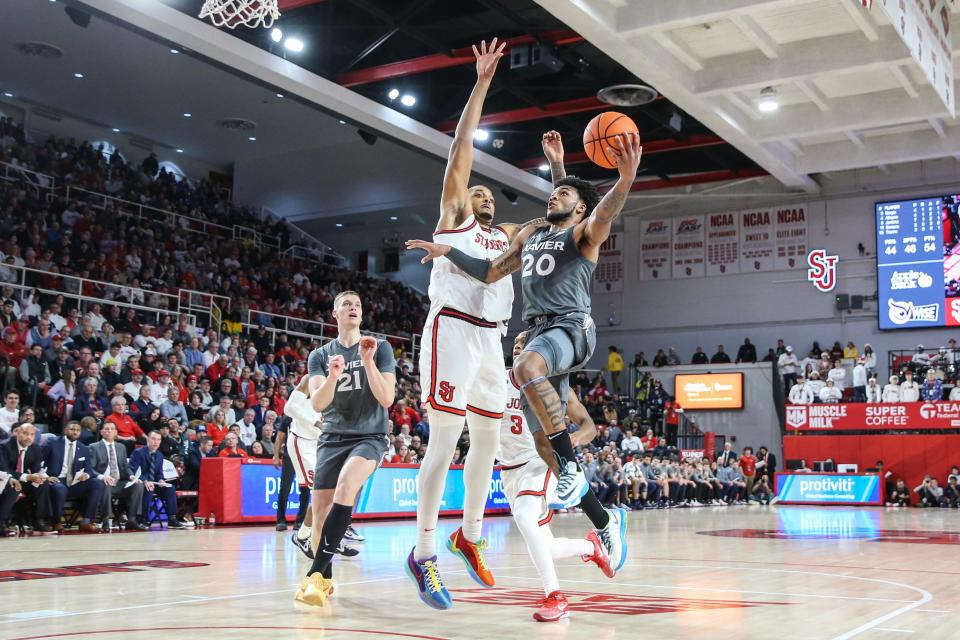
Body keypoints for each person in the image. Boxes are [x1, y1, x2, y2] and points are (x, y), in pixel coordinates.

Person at [407, 122, 640, 588]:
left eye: (562, 196)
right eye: (554, 194)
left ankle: (571, 468)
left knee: (525, 368)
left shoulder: (583, 235)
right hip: (539, 334)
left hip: (569, 328)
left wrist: (626, 180)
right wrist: (448, 250)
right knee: (541, 441)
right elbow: (491, 271)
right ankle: (603, 520)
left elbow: (598, 211)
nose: (552, 198)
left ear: (580, 208)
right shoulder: (534, 238)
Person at [402, 40, 546, 610]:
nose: (482, 194)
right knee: (443, 441)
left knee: (487, 439)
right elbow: (461, 148)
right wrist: (482, 82)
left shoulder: (505, 237)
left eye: (489, 193)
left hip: (492, 339)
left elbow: (537, 237)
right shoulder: (453, 219)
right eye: (476, 190)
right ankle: (423, 552)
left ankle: (470, 534)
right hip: (452, 330)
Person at [499, 332, 613, 621]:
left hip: (541, 462)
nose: (518, 351)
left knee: (525, 517)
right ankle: (591, 546)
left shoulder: (551, 387)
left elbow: (589, 425)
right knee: (545, 546)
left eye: (525, 347)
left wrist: (572, 441)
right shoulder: (495, 380)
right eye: (515, 347)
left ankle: (556, 596)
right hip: (509, 470)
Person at [295, 291, 396, 607]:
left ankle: (314, 574)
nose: (353, 308)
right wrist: (333, 377)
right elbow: (318, 403)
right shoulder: (319, 356)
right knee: (321, 513)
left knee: (346, 487)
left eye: (358, 305)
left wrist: (367, 363)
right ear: (334, 313)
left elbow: (387, 398)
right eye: (347, 304)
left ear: (362, 315)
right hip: (332, 437)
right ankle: (323, 582)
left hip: (369, 436)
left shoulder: (379, 348)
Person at [282, 374, 323, 558]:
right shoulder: (309, 380)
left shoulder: (337, 384)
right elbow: (289, 408)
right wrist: (314, 422)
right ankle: (306, 535)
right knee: (321, 492)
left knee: (328, 492)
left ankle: (306, 535)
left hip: (316, 442)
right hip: (302, 442)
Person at [44, 421, 104, 533]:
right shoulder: (53, 443)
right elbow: (41, 462)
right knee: (60, 489)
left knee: (97, 483)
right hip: (57, 479)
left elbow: (89, 469)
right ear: (65, 430)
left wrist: (86, 475)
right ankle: (56, 522)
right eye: (72, 429)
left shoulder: (84, 448)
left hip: (75, 481)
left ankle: (86, 522)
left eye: (77, 430)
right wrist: (46, 476)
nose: (75, 432)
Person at [90, 420, 147, 530]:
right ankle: (105, 519)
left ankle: (132, 519)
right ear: (101, 432)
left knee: (138, 485)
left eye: (112, 429)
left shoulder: (121, 447)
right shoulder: (94, 447)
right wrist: (102, 477)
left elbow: (125, 467)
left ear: (116, 432)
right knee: (105, 483)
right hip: (104, 483)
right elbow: (90, 469)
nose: (109, 431)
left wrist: (131, 476)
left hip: (120, 483)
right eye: (106, 429)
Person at [0, 423, 54, 531]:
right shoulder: (5, 446)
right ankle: (2, 522)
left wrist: (40, 477)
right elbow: (5, 469)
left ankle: (39, 520)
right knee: (13, 486)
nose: (29, 437)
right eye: (25, 434)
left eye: (32, 435)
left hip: (26, 480)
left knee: (43, 484)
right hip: (9, 479)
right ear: (18, 433)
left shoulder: (36, 448)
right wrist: (27, 477)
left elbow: (37, 469)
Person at [129, 430, 187, 528]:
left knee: (170, 488)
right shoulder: (138, 452)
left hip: (154, 482)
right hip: (140, 482)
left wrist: (161, 480)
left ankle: (172, 518)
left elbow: (159, 473)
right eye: (153, 439)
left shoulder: (159, 455)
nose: (156, 442)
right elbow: (133, 471)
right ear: (148, 439)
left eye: (158, 440)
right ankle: (142, 519)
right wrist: (145, 481)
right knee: (149, 488)